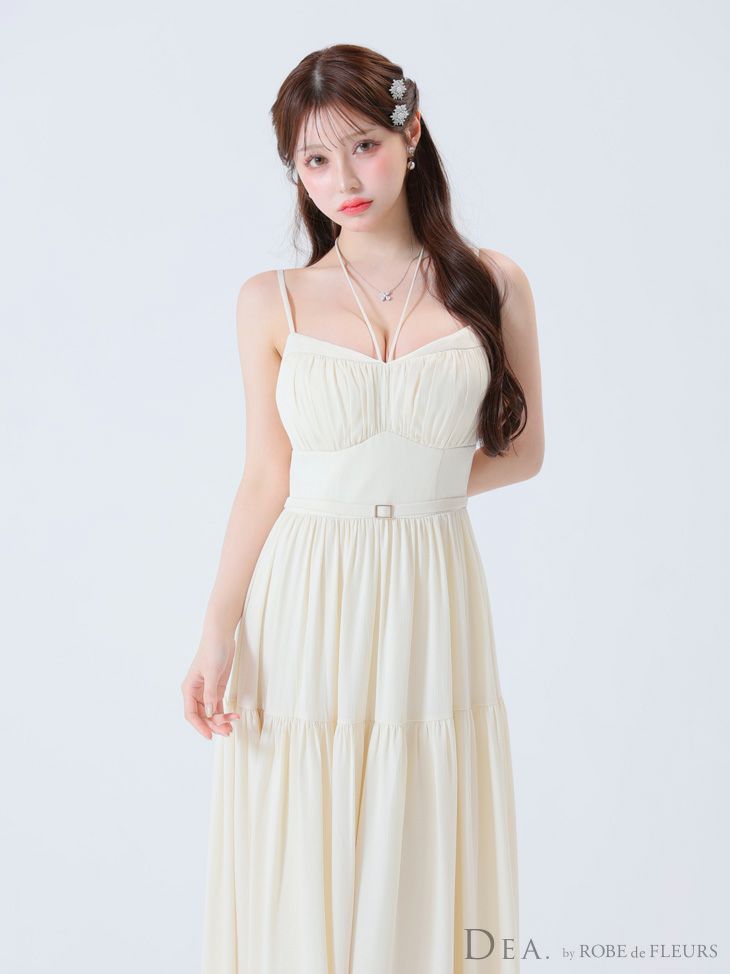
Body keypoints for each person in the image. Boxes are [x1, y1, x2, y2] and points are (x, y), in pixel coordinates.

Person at [182, 43, 544, 974]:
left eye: (364, 147)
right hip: (306, 592)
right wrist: (217, 630)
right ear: (295, 172)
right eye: (314, 159)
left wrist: (412, 492)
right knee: (306, 818)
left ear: (411, 135)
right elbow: (266, 477)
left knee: (421, 806)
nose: (342, 180)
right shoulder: (271, 302)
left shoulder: (493, 283)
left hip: (431, 584)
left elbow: (524, 451)